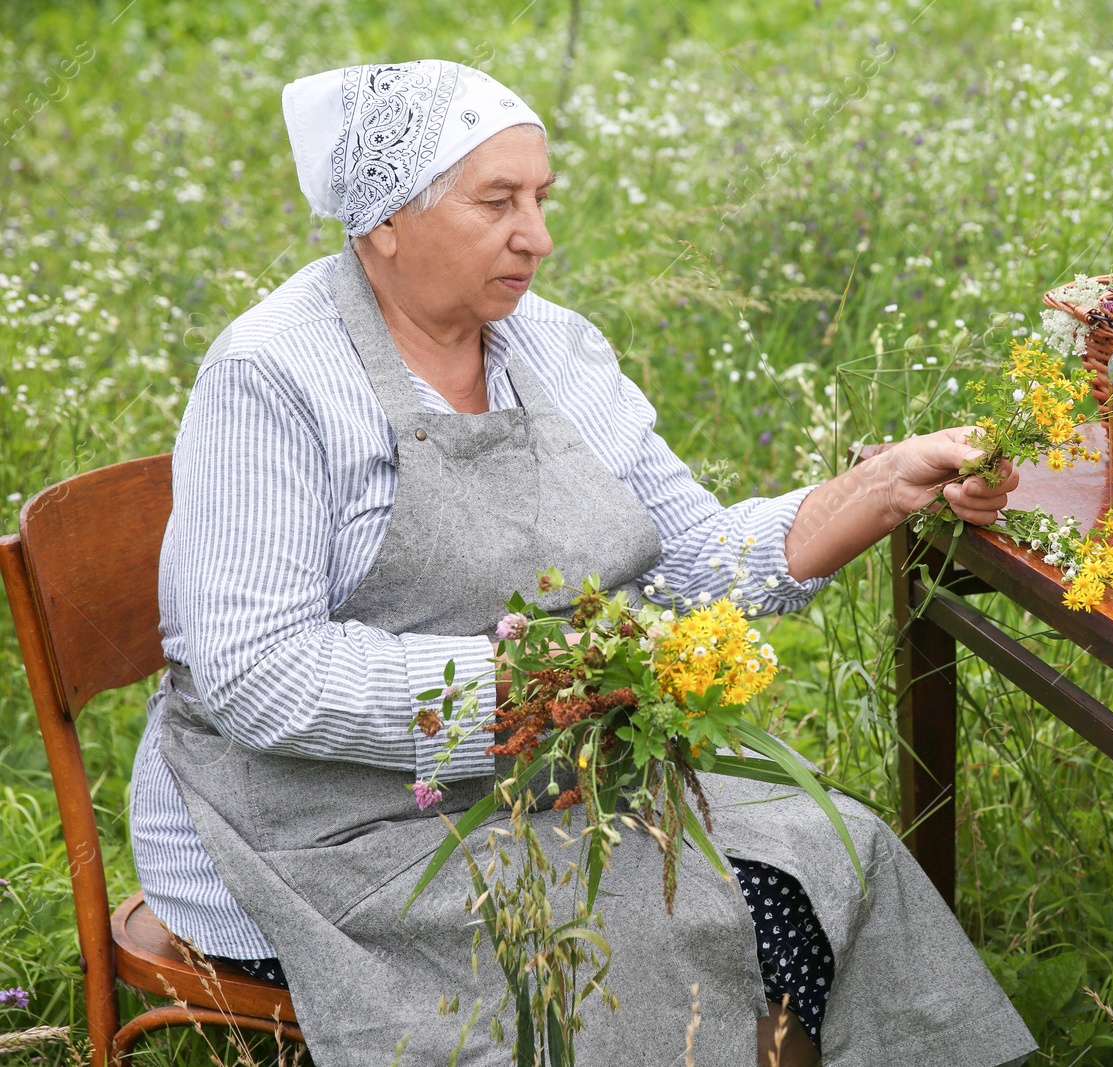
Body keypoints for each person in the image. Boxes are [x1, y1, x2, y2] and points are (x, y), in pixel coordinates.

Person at [131, 59, 1036, 1067]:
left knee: (836, 850)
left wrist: (885, 487)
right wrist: (529, 688)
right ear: (384, 219)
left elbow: (683, 557)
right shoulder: (273, 375)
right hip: (326, 828)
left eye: (542, 199)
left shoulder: (550, 348)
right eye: (497, 202)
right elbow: (260, 676)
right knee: (688, 920)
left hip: (547, 774)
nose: (539, 236)